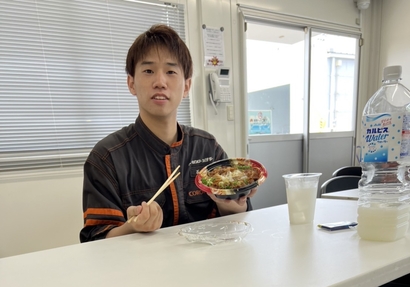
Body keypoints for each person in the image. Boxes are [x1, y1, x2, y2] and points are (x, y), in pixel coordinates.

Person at [80, 24, 256, 242]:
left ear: (187, 86)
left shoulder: (207, 147)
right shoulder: (106, 157)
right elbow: (94, 240)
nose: (160, 82)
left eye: (171, 71)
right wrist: (133, 227)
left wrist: (231, 205)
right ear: (131, 83)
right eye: (148, 71)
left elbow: (235, 221)